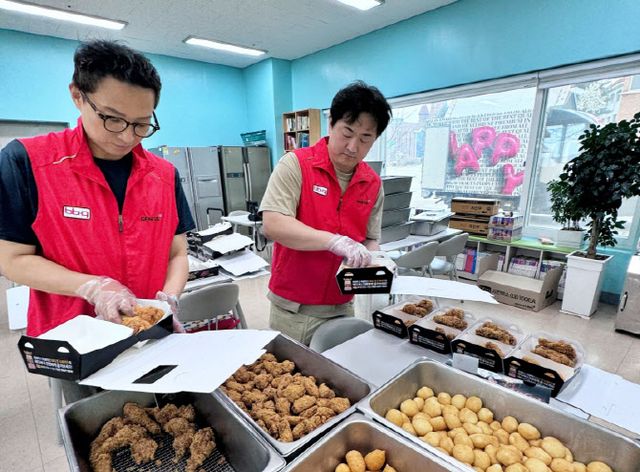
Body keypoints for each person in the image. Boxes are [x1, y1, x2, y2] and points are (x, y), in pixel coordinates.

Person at [0, 40, 195, 401]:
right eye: (112, 119)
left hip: (150, 334)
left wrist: (169, 298)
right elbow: (12, 260)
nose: (127, 136)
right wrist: (92, 287)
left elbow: (178, 252)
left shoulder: (164, 175)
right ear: (78, 95)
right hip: (77, 344)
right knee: (95, 422)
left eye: (141, 124)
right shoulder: (26, 162)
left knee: (167, 416)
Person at [260, 81, 391, 345]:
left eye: (365, 138)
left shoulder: (373, 183)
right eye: (347, 133)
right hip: (294, 308)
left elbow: (370, 238)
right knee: (291, 371)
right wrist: (333, 241)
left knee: (340, 369)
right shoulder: (296, 164)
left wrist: (377, 261)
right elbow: (273, 223)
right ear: (331, 123)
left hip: (343, 305)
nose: (353, 146)